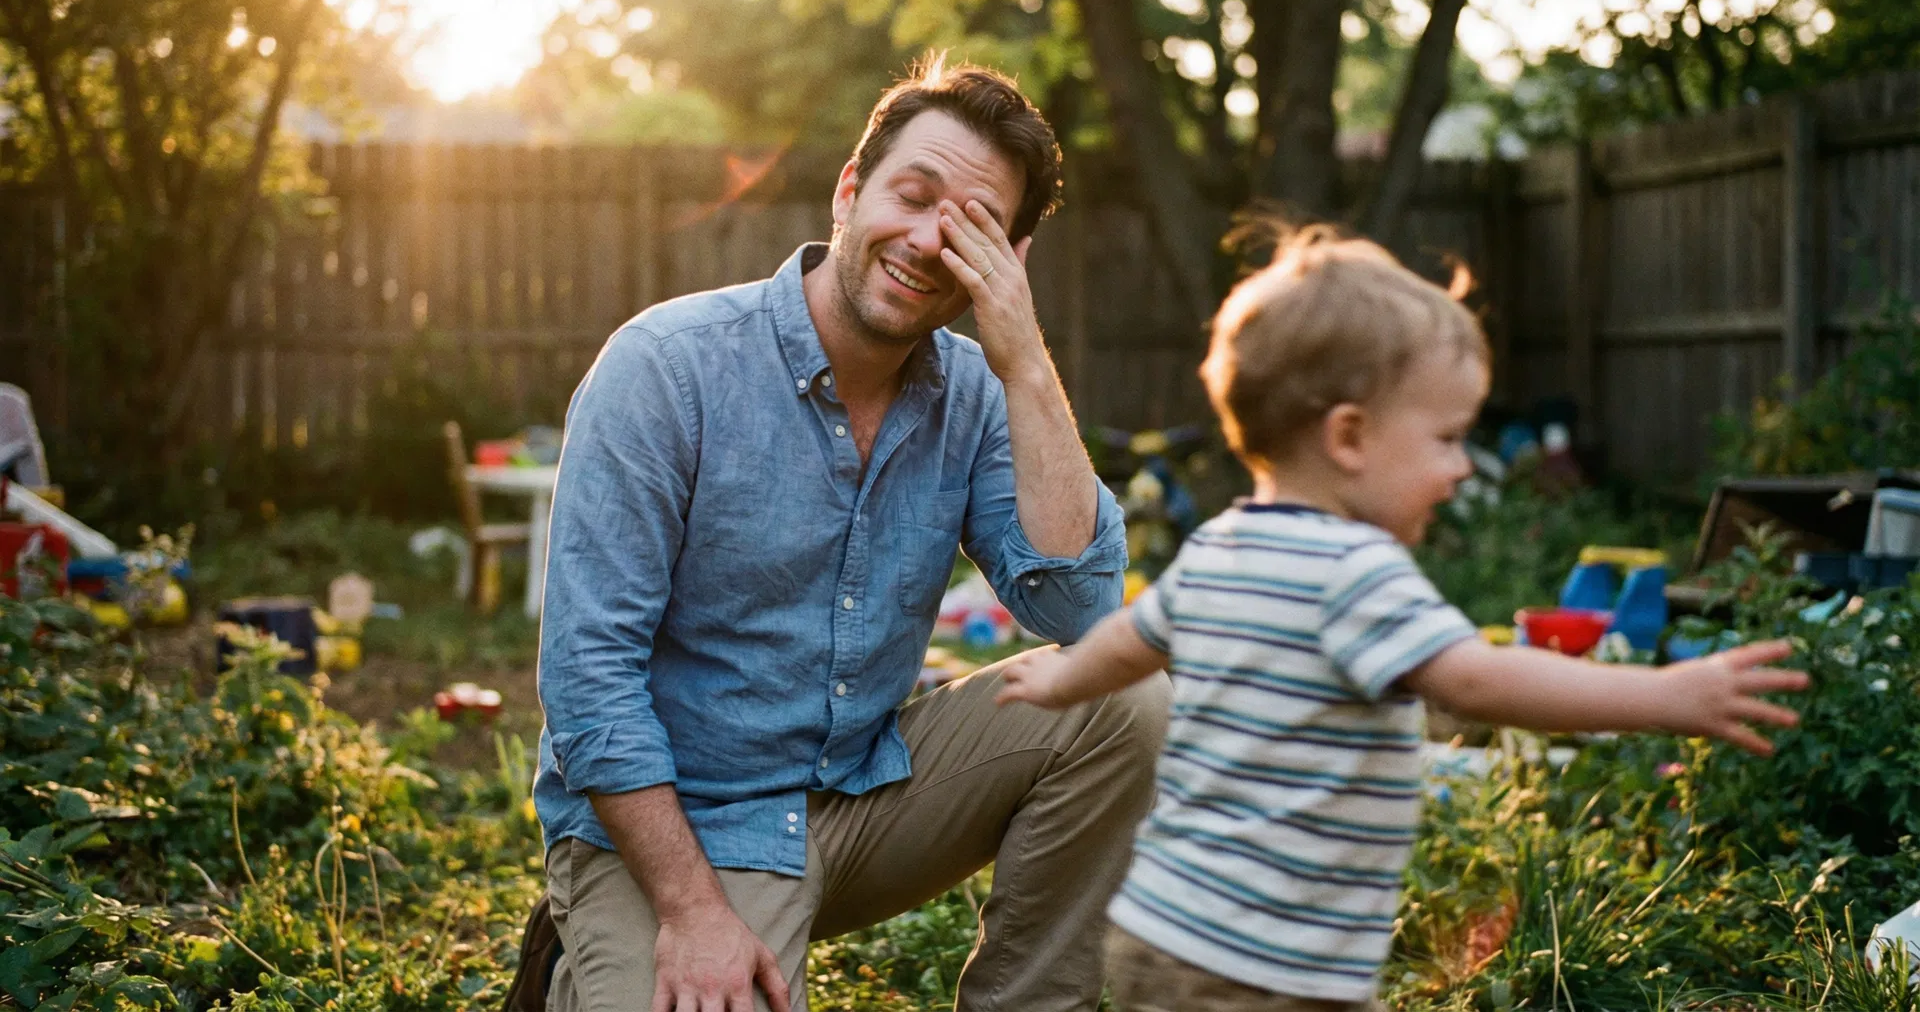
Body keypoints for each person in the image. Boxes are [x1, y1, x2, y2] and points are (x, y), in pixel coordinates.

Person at [995, 227, 1809, 1012]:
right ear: (1349, 436)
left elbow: (1131, 640)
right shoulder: (1354, 571)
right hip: (1267, 964)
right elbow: (1475, 681)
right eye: (1447, 439)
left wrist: (1064, 680)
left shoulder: (1220, 545)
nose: (1461, 469)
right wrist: (1667, 696)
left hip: (1167, 933)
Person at [514, 56, 1169, 1012]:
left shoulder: (979, 394)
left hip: (864, 798)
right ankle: (586, 955)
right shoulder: (666, 368)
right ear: (850, 190)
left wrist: (1025, 361)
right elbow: (588, 679)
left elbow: (1083, 612)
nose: (928, 240)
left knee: (1125, 700)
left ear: (1008, 259)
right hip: (682, 828)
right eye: (913, 196)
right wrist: (693, 915)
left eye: (972, 225)